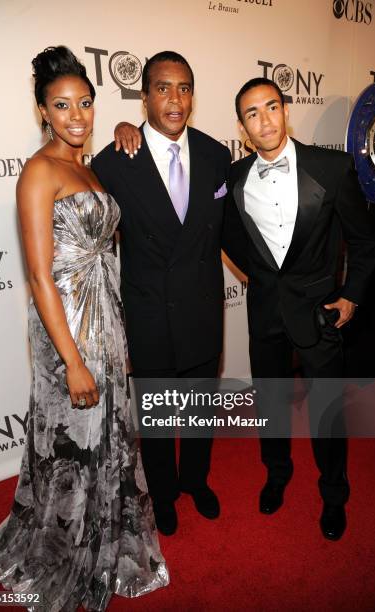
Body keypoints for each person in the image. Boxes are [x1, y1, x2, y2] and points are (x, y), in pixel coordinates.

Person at [0, 46, 168, 609]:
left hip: (105, 319)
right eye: (62, 106)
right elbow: (39, 276)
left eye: (85, 102)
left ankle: (107, 539)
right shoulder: (38, 171)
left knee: (107, 436)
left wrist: (114, 341)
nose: (77, 115)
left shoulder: (86, 166)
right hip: (68, 332)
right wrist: (73, 360)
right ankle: (65, 549)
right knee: (73, 442)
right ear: (43, 112)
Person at [222, 77, 375, 541]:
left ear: (285, 110)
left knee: (328, 411)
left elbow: (365, 241)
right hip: (265, 313)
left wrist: (351, 295)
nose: (264, 119)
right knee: (270, 404)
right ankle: (276, 473)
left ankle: (334, 494)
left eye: (271, 107)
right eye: (252, 113)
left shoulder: (331, 167)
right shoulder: (234, 177)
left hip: (319, 312)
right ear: (243, 126)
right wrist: (257, 275)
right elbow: (230, 236)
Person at [92, 51, 231, 536]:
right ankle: (164, 491)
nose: (175, 99)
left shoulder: (217, 155)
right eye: (164, 88)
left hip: (202, 309)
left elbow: (230, 232)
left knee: (198, 406)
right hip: (150, 311)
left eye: (184, 88)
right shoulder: (112, 162)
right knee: (154, 413)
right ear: (145, 95)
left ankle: (195, 479)